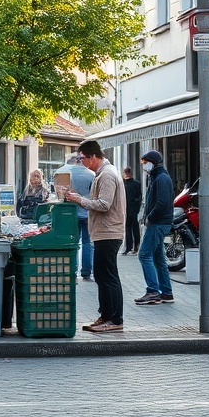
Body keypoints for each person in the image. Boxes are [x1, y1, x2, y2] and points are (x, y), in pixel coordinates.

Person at [76, 140, 127, 333]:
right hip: (104, 232)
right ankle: (106, 315)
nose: (81, 162)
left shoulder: (107, 174)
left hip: (109, 232)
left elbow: (104, 204)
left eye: (82, 158)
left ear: (92, 157)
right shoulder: (103, 173)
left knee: (108, 275)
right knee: (101, 274)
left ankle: (114, 318)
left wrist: (80, 200)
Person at [135, 150, 175, 305]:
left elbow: (162, 202)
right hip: (158, 222)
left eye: (145, 162)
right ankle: (166, 292)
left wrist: (149, 217)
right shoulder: (157, 177)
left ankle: (153, 291)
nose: (144, 165)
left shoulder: (161, 178)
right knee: (158, 259)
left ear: (153, 162)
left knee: (144, 254)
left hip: (157, 223)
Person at [55, 154, 95, 281]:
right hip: (87, 212)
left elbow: (59, 194)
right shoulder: (91, 174)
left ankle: (72, 269)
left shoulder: (63, 172)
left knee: (72, 242)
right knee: (87, 242)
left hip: (70, 212)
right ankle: (86, 271)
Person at [123, 167, 143, 255]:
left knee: (128, 228)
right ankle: (136, 246)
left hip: (126, 209)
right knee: (135, 228)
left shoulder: (123, 184)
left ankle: (129, 247)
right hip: (133, 209)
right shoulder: (136, 184)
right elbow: (139, 197)